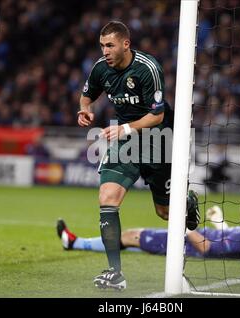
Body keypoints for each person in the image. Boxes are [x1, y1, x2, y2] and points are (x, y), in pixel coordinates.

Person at [77, 21, 200, 290]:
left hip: (159, 139)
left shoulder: (147, 68)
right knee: (107, 198)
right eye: (102, 46)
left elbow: (156, 115)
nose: (105, 51)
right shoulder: (101, 69)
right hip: (126, 142)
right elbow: (87, 97)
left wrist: (123, 128)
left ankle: (187, 201)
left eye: (110, 45)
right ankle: (115, 272)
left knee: (165, 212)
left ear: (125, 44)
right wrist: (84, 109)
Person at [56, 194, 240, 261]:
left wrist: (182, 226)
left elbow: (209, 249)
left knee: (130, 235)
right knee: (134, 244)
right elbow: (227, 241)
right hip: (189, 239)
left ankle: (74, 242)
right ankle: (75, 242)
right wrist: (219, 221)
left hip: (185, 244)